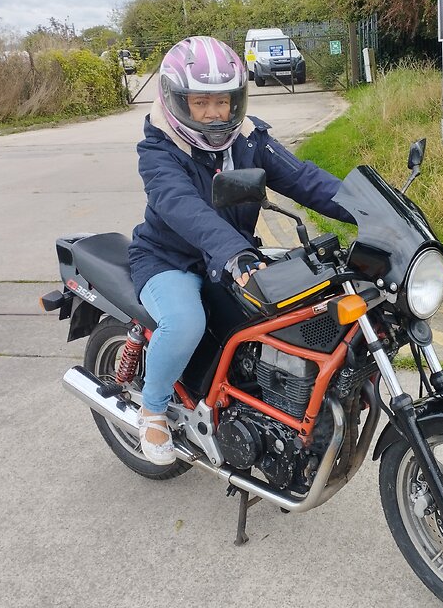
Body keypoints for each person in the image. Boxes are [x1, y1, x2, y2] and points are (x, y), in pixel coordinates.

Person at [127, 35, 354, 465]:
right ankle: (153, 409)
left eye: (224, 101)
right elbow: (184, 208)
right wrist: (235, 252)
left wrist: (374, 210)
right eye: (201, 102)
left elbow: (305, 179)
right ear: (177, 101)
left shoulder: (248, 139)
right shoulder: (158, 151)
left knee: (299, 313)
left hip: (233, 258)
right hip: (170, 260)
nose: (215, 114)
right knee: (184, 321)